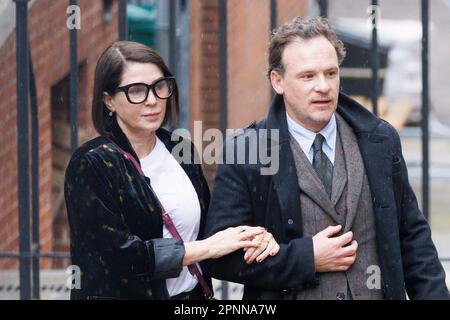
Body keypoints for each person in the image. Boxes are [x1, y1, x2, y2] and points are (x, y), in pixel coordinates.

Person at [204, 17, 449, 300]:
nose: (323, 86)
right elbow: (220, 258)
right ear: (278, 81)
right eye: (308, 76)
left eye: (330, 73)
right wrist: (306, 258)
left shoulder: (379, 139)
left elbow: (412, 237)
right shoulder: (246, 151)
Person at [64, 41, 280, 300]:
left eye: (159, 86)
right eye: (136, 91)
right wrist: (206, 248)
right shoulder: (91, 164)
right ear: (109, 101)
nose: (153, 100)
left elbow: (212, 227)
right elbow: (119, 257)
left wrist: (255, 237)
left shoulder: (180, 148)